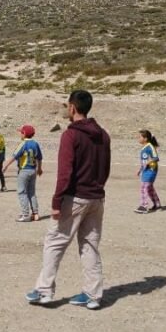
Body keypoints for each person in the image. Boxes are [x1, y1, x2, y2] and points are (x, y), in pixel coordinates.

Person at [25, 90, 111, 310]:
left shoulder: (71, 135)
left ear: (72, 108)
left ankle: (44, 291)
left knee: (55, 242)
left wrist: (56, 203)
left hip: (75, 197)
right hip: (96, 198)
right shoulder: (103, 134)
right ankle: (93, 295)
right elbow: (105, 169)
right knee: (90, 245)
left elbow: (65, 173)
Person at [7, 124, 43, 222]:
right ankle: (35, 213)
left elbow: (15, 156)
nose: (20, 134)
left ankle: (25, 214)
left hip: (24, 171)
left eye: (21, 133)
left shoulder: (23, 144)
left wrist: (6, 166)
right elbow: (39, 158)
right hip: (33, 170)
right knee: (32, 192)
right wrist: (39, 169)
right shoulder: (35, 144)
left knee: (22, 192)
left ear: (24, 134)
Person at [134, 129, 161, 214]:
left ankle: (144, 206)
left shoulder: (150, 147)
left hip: (151, 170)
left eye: (140, 137)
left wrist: (149, 162)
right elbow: (143, 161)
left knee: (144, 188)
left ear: (145, 139)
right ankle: (157, 204)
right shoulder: (144, 147)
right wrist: (140, 169)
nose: (138, 138)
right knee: (149, 188)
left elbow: (156, 158)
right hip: (145, 170)